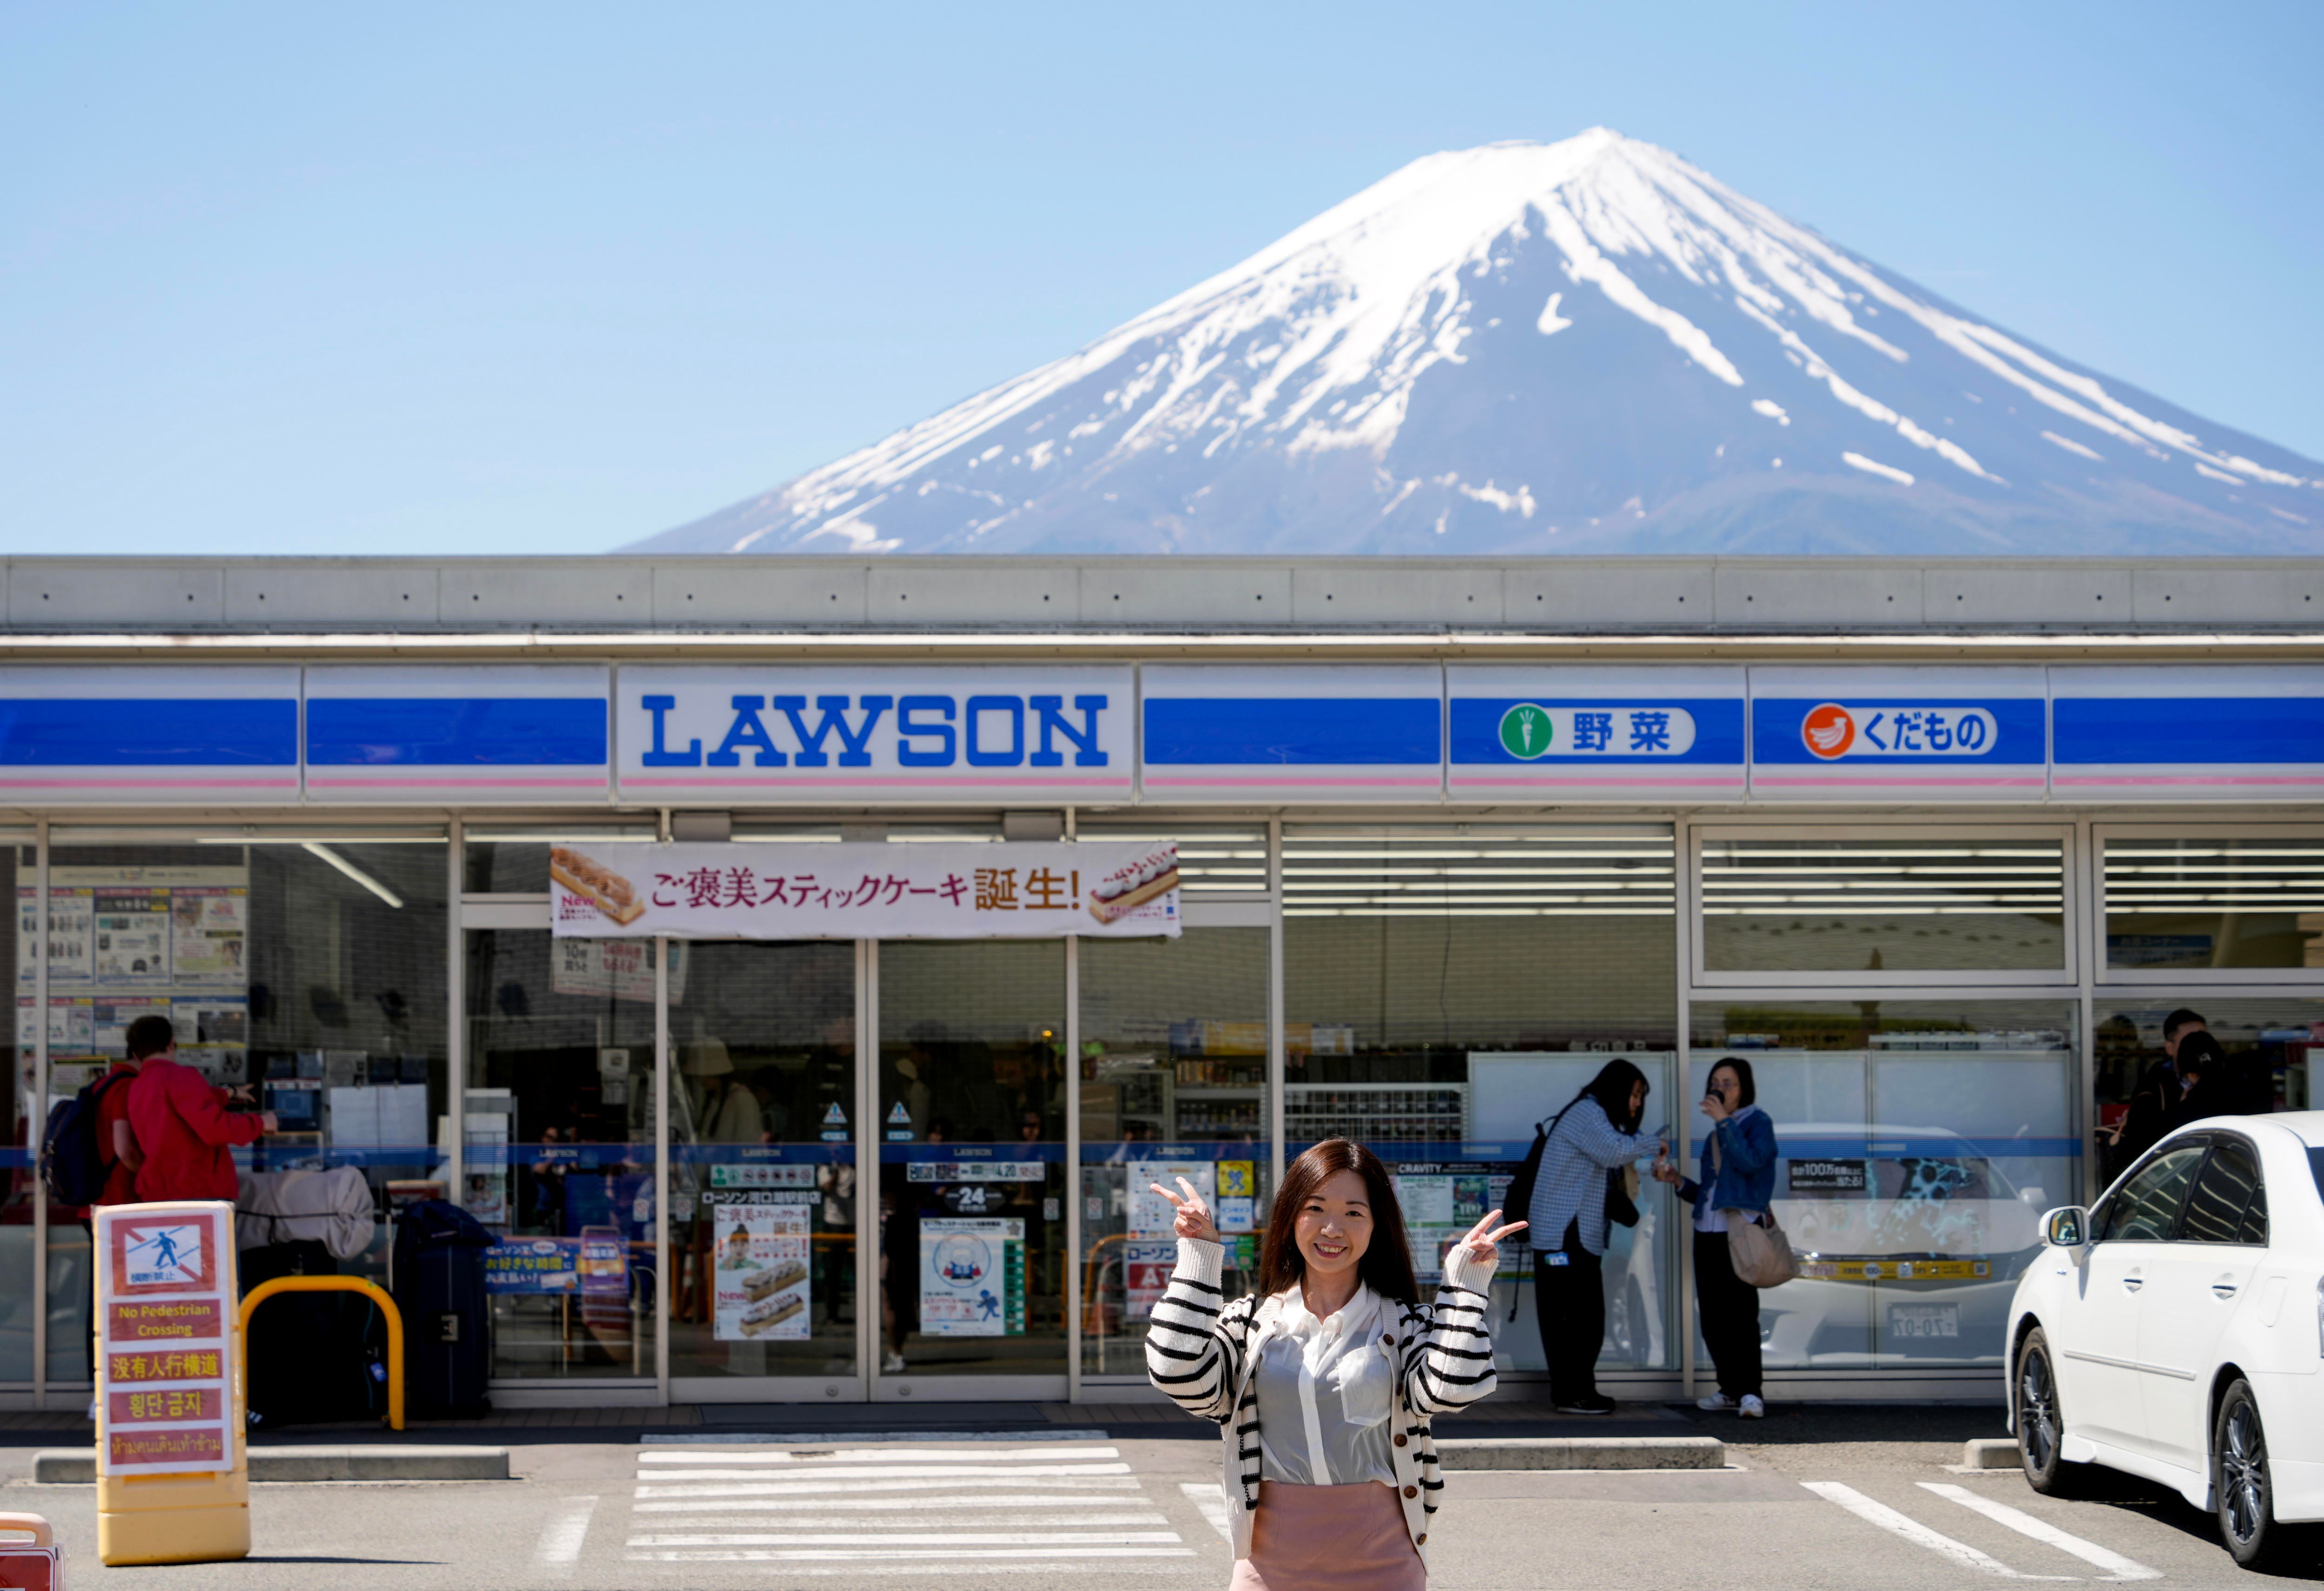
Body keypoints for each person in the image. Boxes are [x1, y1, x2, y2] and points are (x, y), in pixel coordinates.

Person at [1145, 1140, 1522, 1591]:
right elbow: (1177, 1372)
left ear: (1377, 1226)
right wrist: (1198, 1256)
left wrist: (1464, 1288)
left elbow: (1453, 1388)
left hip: (1384, 1560)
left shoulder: (1402, 1322)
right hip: (1268, 1563)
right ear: (1289, 1218)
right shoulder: (1249, 1323)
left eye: (1353, 1213)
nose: (1331, 1228)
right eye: (1315, 1207)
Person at [1525, 1059, 1664, 1414]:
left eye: (1640, 1097)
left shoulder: (1593, 1117)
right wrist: (1656, 1143)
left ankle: (1579, 1391)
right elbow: (1615, 1151)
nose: (1636, 1104)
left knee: (1583, 1317)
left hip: (1574, 1234)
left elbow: (1616, 1155)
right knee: (1570, 1319)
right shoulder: (1587, 1113)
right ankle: (1572, 1395)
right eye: (1633, 1094)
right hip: (1562, 1235)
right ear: (1616, 1089)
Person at [1653, 1057, 1777, 1420]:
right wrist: (1678, 1181)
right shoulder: (1715, 1135)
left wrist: (1724, 1121)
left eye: (1729, 1084)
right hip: (1707, 1233)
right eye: (1716, 1082)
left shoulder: (1758, 1123)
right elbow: (1710, 1193)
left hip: (1738, 1235)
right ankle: (1729, 1389)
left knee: (1741, 1316)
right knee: (1713, 1317)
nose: (1720, 1089)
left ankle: (1751, 1392)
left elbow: (1752, 1164)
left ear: (1745, 1088)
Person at [126, 1025, 276, 1203]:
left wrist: (229, 1093)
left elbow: (178, 1104)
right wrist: (260, 1123)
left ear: (135, 1054)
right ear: (172, 1044)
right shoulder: (180, 1076)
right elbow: (215, 1129)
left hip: (157, 1191)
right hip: (196, 1190)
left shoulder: (138, 1086)